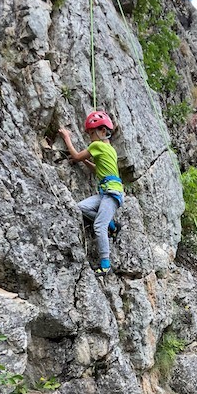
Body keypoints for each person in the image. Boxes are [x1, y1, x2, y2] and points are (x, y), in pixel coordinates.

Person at [59, 111, 123, 275]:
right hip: (107, 192)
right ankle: (112, 226)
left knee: (99, 226)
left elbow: (75, 155)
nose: (90, 137)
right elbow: (99, 170)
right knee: (80, 208)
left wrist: (66, 137)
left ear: (103, 131)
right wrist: (85, 161)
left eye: (92, 133)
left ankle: (105, 265)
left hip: (111, 192)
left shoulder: (97, 145)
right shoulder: (111, 150)